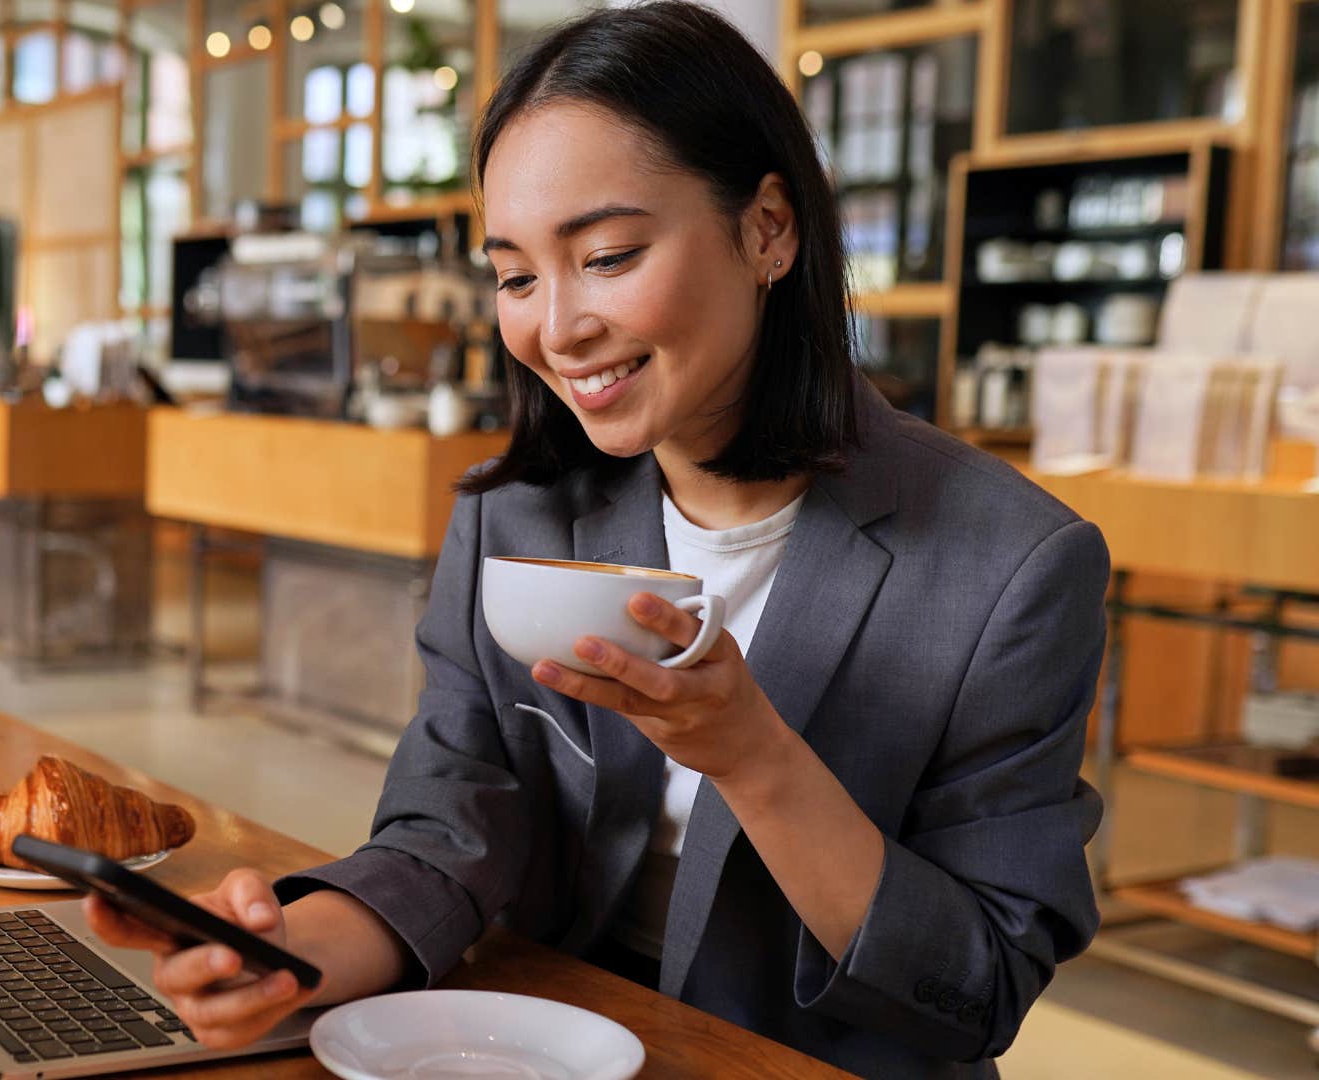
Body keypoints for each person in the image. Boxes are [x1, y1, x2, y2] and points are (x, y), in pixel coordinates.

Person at [87, 4, 1109, 1075]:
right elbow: (452, 825)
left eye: (609, 255)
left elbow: (977, 986)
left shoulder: (1010, 567)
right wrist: (291, 951)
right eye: (518, 276)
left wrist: (753, 758)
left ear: (768, 229)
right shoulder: (512, 513)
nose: (558, 328)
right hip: (531, 1043)